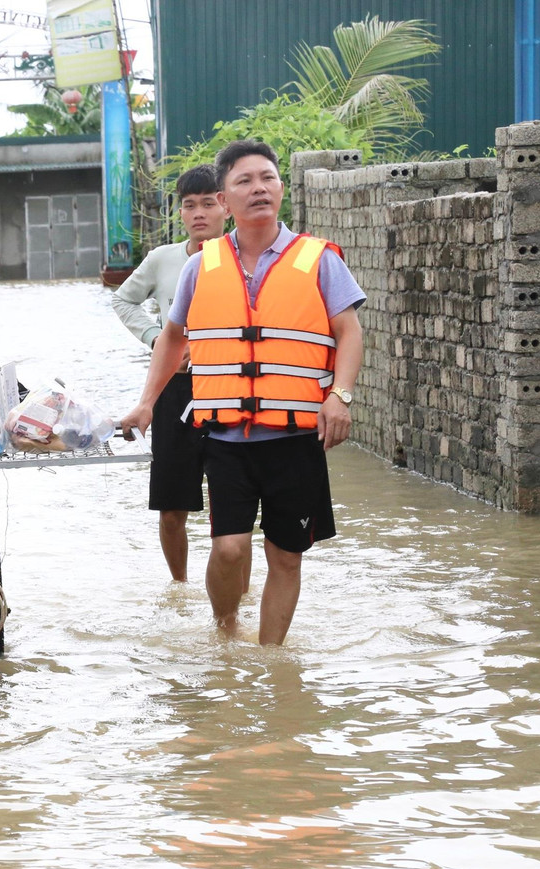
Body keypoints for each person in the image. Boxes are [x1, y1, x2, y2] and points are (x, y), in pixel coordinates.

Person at [120, 140, 364, 645]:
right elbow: (172, 337)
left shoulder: (318, 260)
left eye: (267, 178)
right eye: (244, 181)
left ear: (280, 189)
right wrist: (147, 402)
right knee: (229, 548)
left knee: (285, 555)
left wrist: (340, 395)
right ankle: (226, 633)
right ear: (226, 200)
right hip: (227, 438)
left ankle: (271, 663)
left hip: (295, 437)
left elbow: (350, 331)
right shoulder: (200, 265)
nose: (259, 188)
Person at [112, 165, 232, 584]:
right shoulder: (163, 259)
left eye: (208, 203)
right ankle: (179, 587)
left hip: (229, 391)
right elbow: (123, 300)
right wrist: (154, 337)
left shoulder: (244, 258)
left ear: (226, 206)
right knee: (170, 504)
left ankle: (233, 589)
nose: (199, 213)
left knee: (232, 504)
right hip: (173, 388)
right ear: (180, 214)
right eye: (189, 206)